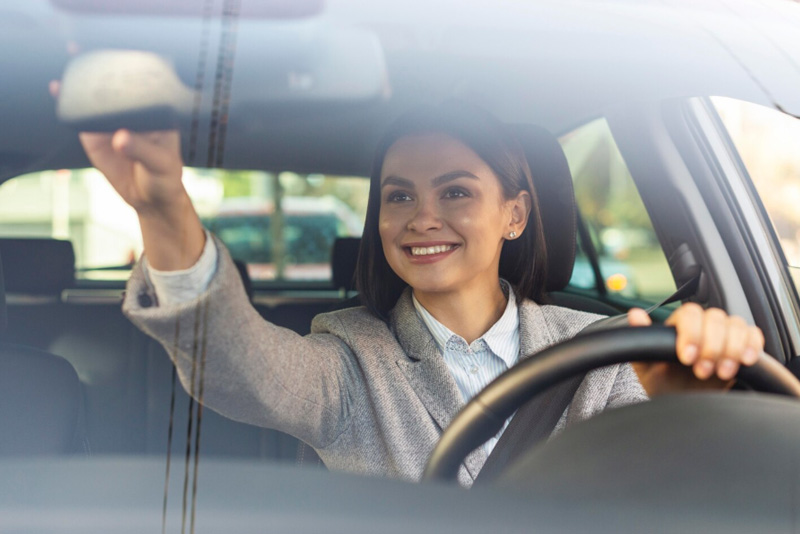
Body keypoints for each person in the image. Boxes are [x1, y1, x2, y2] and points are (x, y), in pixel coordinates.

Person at [79, 102, 764, 487]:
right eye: (398, 195)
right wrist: (166, 212)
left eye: (456, 192)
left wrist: (686, 406)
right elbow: (238, 366)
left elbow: (657, 489)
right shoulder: (350, 358)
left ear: (515, 214)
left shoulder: (604, 352)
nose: (421, 217)